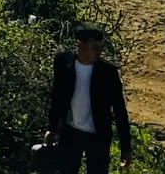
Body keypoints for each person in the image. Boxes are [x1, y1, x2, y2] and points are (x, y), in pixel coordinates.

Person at [48, 25, 133, 172]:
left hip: (98, 136)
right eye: (94, 47)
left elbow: (119, 110)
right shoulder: (63, 62)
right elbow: (57, 96)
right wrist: (52, 128)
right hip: (70, 133)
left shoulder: (108, 72)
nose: (99, 52)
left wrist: (126, 147)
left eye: (100, 47)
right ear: (81, 45)